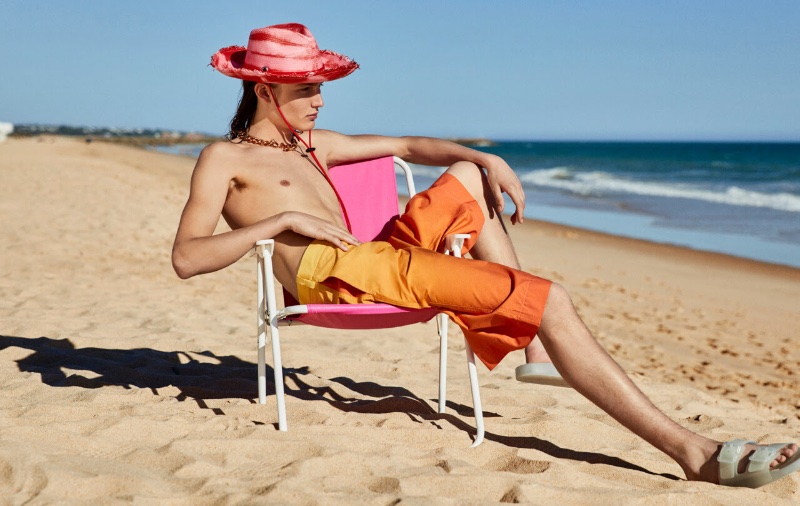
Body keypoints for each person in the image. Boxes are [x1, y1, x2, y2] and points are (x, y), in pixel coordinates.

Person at [172, 23, 799, 488]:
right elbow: (187, 258)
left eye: (320, 87)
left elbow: (413, 144)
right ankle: (695, 453)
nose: (320, 100)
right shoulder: (224, 161)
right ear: (264, 87)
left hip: (375, 258)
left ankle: (534, 350)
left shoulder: (316, 144)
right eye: (307, 88)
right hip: (331, 278)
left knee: (470, 178)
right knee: (551, 297)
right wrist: (278, 221)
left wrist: (484, 157)